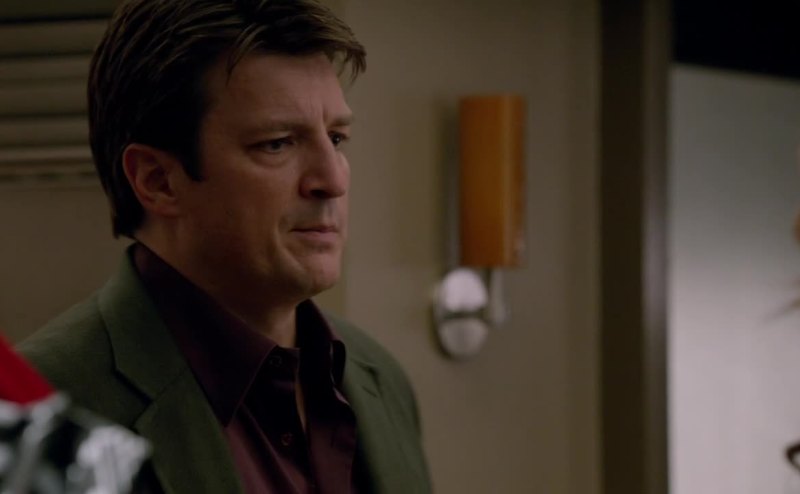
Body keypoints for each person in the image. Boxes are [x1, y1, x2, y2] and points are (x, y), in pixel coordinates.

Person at [17, 0, 431, 492]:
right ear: (157, 180)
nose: (333, 180)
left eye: (337, 138)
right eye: (277, 143)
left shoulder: (380, 378)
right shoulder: (39, 417)